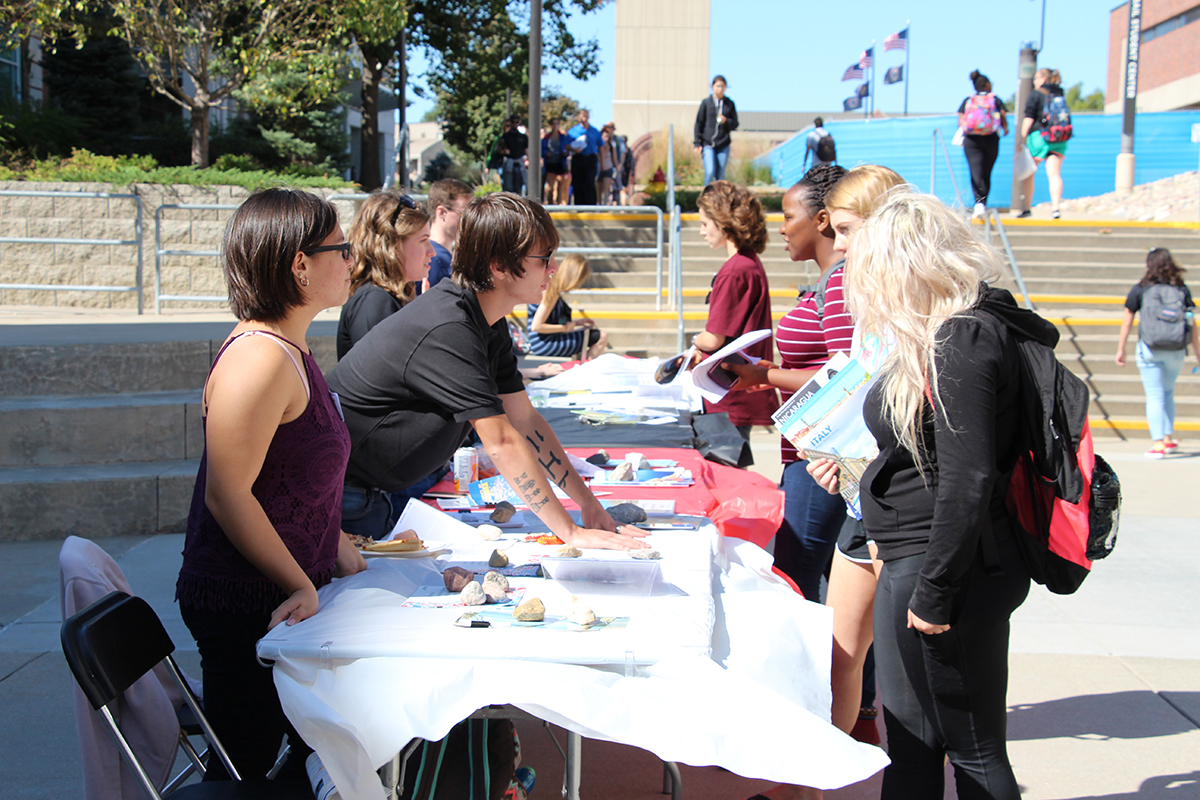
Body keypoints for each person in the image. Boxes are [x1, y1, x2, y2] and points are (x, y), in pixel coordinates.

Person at [813, 190, 1043, 800]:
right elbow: (938, 458)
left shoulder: (961, 338)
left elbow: (968, 478)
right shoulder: (958, 332)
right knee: (914, 742)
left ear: (906, 266)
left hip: (943, 568)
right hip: (927, 560)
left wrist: (936, 591)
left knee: (970, 748)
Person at [327, 192, 649, 550]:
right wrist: (570, 532)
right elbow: (502, 440)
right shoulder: (449, 326)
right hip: (352, 501)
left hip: (378, 494)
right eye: (544, 259)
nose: (553, 268)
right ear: (498, 266)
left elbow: (524, 421)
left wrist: (589, 507)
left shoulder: (485, 319)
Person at [176, 188, 368, 781]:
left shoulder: (290, 346)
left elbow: (292, 483)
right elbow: (228, 493)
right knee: (248, 773)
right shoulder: (258, 357)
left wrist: (338, 550)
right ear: (300, 264)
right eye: (343, 248)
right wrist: (299, 581)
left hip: (280, 599)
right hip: (247, 604)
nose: (353, 261)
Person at [692, 180, 778, 439]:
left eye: (705, 224)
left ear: (723, 222)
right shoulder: (750, 262)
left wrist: (694, 341)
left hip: (727, 389)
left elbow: (714, 337)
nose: (701, 231)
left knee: (725, 467)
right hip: (739, 385)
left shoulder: (734, 270)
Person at [1115, 247, 1200, 458]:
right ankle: (1169, 438)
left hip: (1150, 348)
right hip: (1176, 349)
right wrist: (1198, 352)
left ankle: (1158, 443)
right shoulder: (1180, 288)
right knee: (1168, 392)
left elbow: (1127, 321)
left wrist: (1121, 349)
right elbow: (1192, 323)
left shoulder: (1141, 288)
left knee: (1154, 394)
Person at [336, 192, 433, 359]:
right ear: (393, 245)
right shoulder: (373, 302)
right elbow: (379, 378)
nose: (432, 252)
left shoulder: (385, 297)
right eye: (423, 240)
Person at [526, 254, 608, 360]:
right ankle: (588, 370)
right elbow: (536, 326)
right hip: (544, 344)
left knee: (592, 335)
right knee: (601, 336)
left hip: (543, 342)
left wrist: (577, 323)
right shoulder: (551, 292)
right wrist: (565, 328)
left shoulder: (552, 288)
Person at [958, 70, 1009, 219]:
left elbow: (960, 121)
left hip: (971, 140)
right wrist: (1005, 128)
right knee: (987, 172)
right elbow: (1003, 116)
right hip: (991, 138)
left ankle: (978, 204)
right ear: (986, 84)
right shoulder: (995, 99)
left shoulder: (968, 100)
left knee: (975, 171)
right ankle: (982, 203)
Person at [1018, 67, 1068, 219]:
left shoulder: (1036, 94)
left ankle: (1027, 208)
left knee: (1029, 173)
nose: (1034, 81)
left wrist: (1022, 139)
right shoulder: (1060, 94)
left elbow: (1029, 118)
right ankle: (1055, 208)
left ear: (1043, 79)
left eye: (1037, 78)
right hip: (1059, 137)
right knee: (1054, 174)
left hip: (1039, 137)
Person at [425, 178, 474, 291]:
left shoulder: (442, 255)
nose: (469, 220)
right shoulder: (433, 259)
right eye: (463, 213)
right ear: (442, 212)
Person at [693, 75, 738, 185]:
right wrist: (697, 143)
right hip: (708, 144)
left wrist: (726, 121)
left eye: (722, 86)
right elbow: (699, 123)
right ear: (712, 87)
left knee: (720, 175)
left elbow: (735, 124)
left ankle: (719, 199)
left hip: (723, 144)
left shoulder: (729, 104)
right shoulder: (706, 103)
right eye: (717, 86)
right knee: (710, 171)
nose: (720, 89)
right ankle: (706, 196)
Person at [567, 109, 602, 205]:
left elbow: (601, 146)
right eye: (582, 116)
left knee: (589, 182)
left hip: (591, 159)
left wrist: (601, 162)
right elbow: (566, 145)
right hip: (578, 158)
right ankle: (579, 206)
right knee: (578, 183)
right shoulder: (573, 131)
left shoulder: (594, 131)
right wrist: (574, 149)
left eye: (585, 116)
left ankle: (591, 206)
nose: (584, 118)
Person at [542, 117, 570, 205]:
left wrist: (565, 153)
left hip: (560, 163)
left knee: (560, 186)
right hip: (550, 163)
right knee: (550, 187)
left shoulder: (562, 137)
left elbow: (567, 148)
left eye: (557, 123)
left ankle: (559, 204)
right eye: (553, 124)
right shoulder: (546, 138)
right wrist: (546, 153)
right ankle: (550, 203)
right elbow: (542, 150)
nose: (555, 125)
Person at [500, 114, 528, 195]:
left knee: (521, 184)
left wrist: (528, 160)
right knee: (508, 186)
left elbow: (526, 149)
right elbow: (500, 150)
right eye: (513, 122)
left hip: (520, 162)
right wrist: (504, 151)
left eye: (517, 122)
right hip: (509, 162)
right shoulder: (505, 136)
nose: (515, 124)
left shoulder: (523, 137)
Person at [596, 123, 619, 206]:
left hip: (608, 168)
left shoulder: (611, 146)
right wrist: (603, 150)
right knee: (599, 189)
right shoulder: (597, 147)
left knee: (606, 188)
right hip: (599, 169)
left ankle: (604, 205)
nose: (605, 138)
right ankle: (598, 205)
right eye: (604, 136)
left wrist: (617, 168)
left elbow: (614, 158)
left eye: (607, 136)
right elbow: (597, 157)